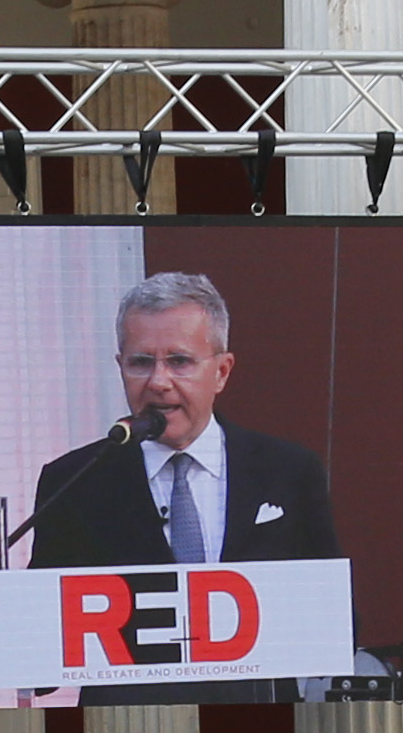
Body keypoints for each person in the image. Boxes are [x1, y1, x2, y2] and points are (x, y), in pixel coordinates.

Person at [31, 272, 342, 702]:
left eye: (179, 361)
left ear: (221, 371)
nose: (158, 381)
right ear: (119, 367)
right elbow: (40, 659)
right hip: (124, 732)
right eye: (141, 362)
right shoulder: (75, 481)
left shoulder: (288, 471)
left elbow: (336, 623)